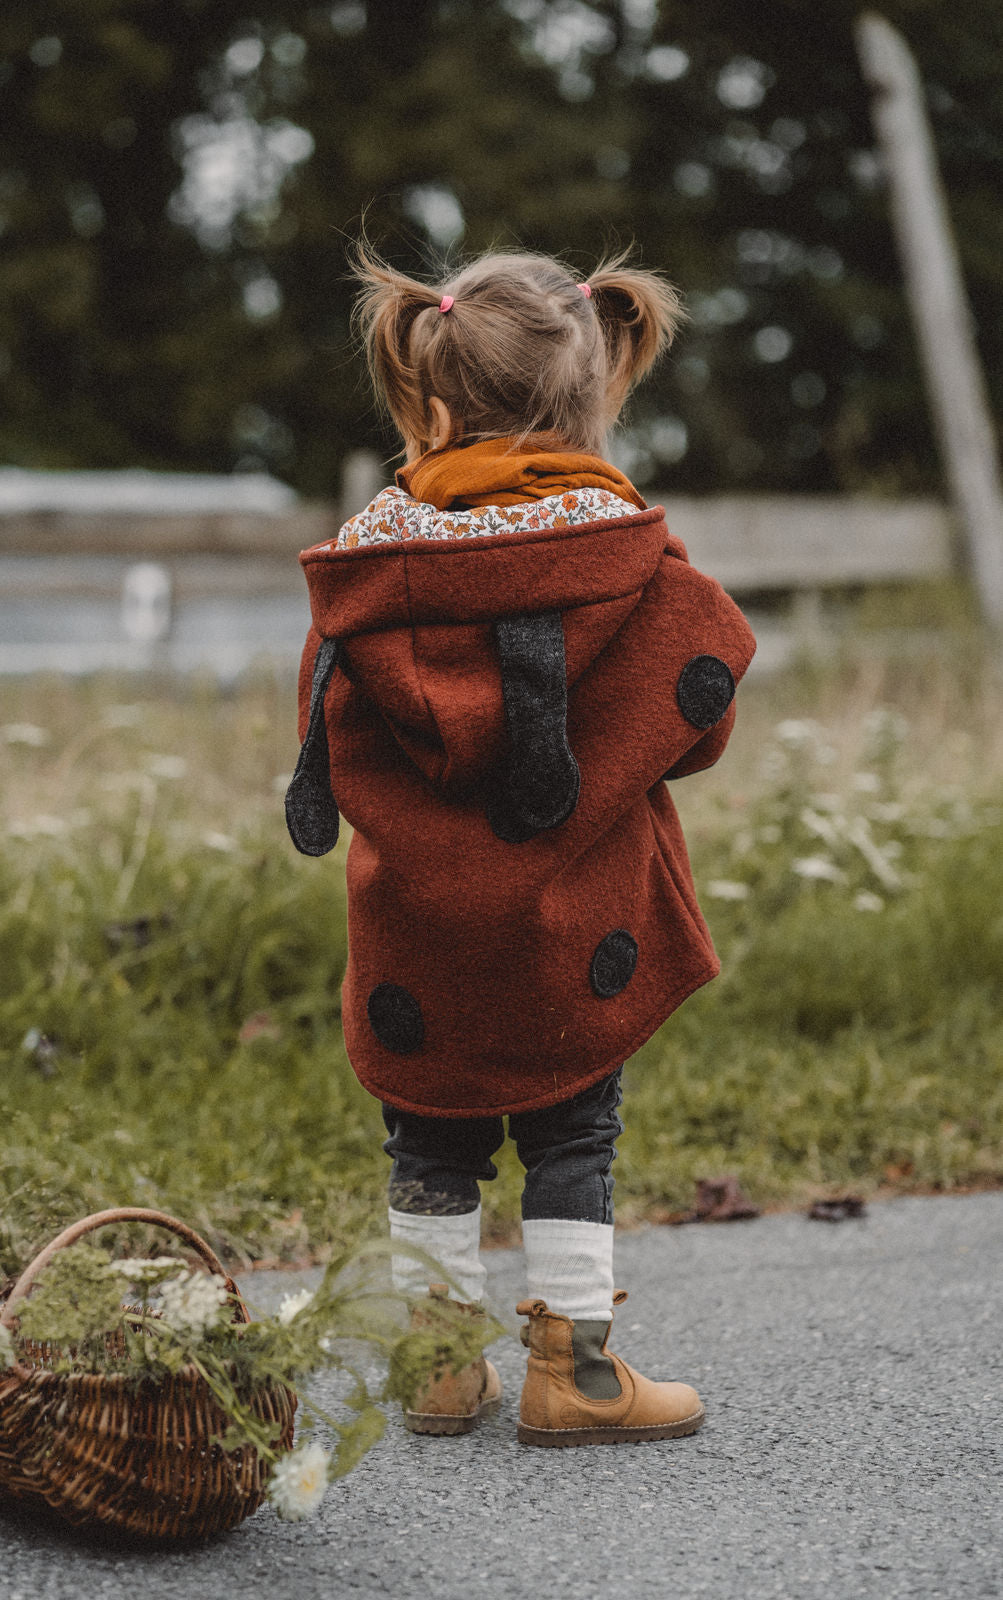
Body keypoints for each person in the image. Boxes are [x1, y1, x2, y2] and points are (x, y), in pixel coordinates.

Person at [285, 244, 756, 1446]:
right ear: (592, 394)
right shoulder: (629, 555)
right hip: (574, 912)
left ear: (429, 399)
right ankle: (574, 1377)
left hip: (419, 923)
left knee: (427, 1133)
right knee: (571, 1125)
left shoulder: (370, 568)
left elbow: (333, 741)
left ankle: (437, 1370)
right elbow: (694, 730)